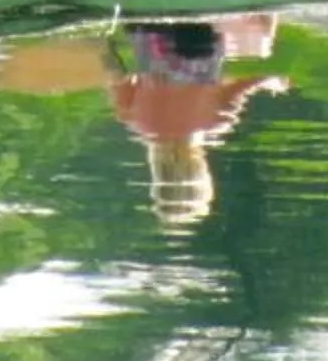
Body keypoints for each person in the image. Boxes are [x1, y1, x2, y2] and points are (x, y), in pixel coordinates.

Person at [108, 13, 286, 226]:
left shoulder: (217, 124)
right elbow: (113, 72)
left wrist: (272, 81)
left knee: (263, 45)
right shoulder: (132, 120)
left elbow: (244, 86)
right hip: (145, 26)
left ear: (202, 171)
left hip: (204, 29)